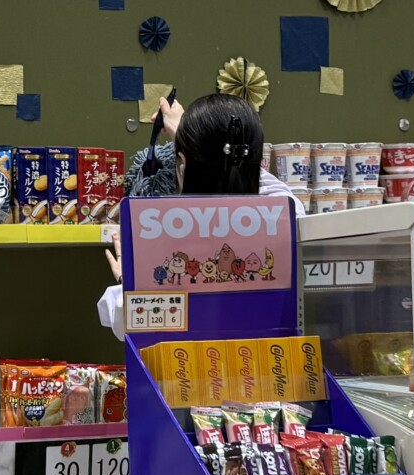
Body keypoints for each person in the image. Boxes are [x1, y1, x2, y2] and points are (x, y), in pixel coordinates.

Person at [96, 93, 300, 336]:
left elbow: (136, 325)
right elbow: (265, 186)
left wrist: (128, 280)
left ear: (181, 166)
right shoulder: (286, 222)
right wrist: (195, 144)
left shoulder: (164, 232)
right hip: (272, 358)